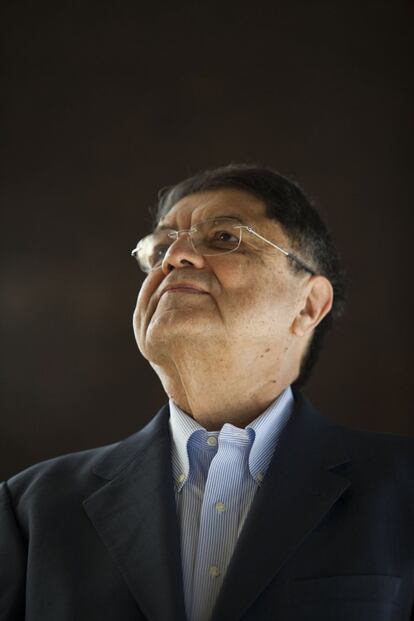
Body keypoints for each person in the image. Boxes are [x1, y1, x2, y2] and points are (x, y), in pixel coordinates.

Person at [1, 164, 413, 621]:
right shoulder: (29, 512)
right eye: (159, 248)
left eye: (223, 238)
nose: (175, 255)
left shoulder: (404, 489)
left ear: (308, 305)